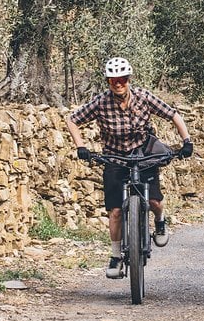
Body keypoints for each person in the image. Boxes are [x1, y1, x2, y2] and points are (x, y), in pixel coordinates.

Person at [65, 56, 193, 279]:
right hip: (114, 156)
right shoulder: (101, 102)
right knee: (114, 211)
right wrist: (81, 146)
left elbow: (173, 114)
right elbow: (72, 120)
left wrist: (187, 141)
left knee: (154, 201)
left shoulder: (143, 97)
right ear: (108, 81)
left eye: (122, 79)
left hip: (142, 153)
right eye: (114, 80)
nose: (118, 83)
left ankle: (160, 222)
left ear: (128, 79)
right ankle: (115, 256)